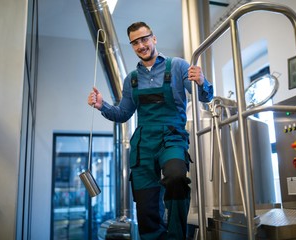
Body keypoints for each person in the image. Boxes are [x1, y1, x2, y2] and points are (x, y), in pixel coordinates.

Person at [88, 21, 213, 240]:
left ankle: (176, 236)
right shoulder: (131, 79)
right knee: (145, 201)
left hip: (171, 137)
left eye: (144, 39)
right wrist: (102, 105)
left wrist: (202, 82)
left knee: (176, 177)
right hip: (143, 142)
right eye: (135, 42)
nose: (141, 45)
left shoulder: (178, 66)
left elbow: (205, 97)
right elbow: (123, 114)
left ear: (153, 38)